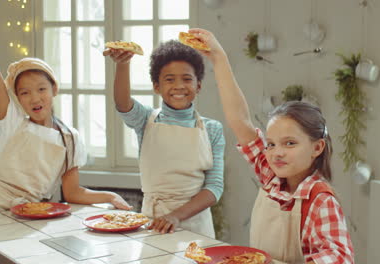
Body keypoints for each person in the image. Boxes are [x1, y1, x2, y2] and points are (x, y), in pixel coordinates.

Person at [0, 8, 132, 264]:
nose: (35, 98)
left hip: (30, 213)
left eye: (41, 89)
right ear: (17, 98)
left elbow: (73, 192)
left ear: (54, 89)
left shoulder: (70, 138)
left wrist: (110, 196)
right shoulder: (13, 122)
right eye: (24, 93)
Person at [189, 28, 354, 263]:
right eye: (271, 144)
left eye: (290, 143)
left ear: (317, 148)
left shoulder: (320, 201)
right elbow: (240, 120)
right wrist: (218, 57)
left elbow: (340, 259)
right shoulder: (270, 177)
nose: (277, 153)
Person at [103, 39, 225, 238]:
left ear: (199, 85)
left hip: (197, 226)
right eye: (169, 79)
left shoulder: (212, 129)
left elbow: (214, 187)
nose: (179, 86)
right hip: (154, 222)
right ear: (156, 86)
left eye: (187, 79)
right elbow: (123, 103)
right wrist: (123, 64)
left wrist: (175, 216)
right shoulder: (146, 120)